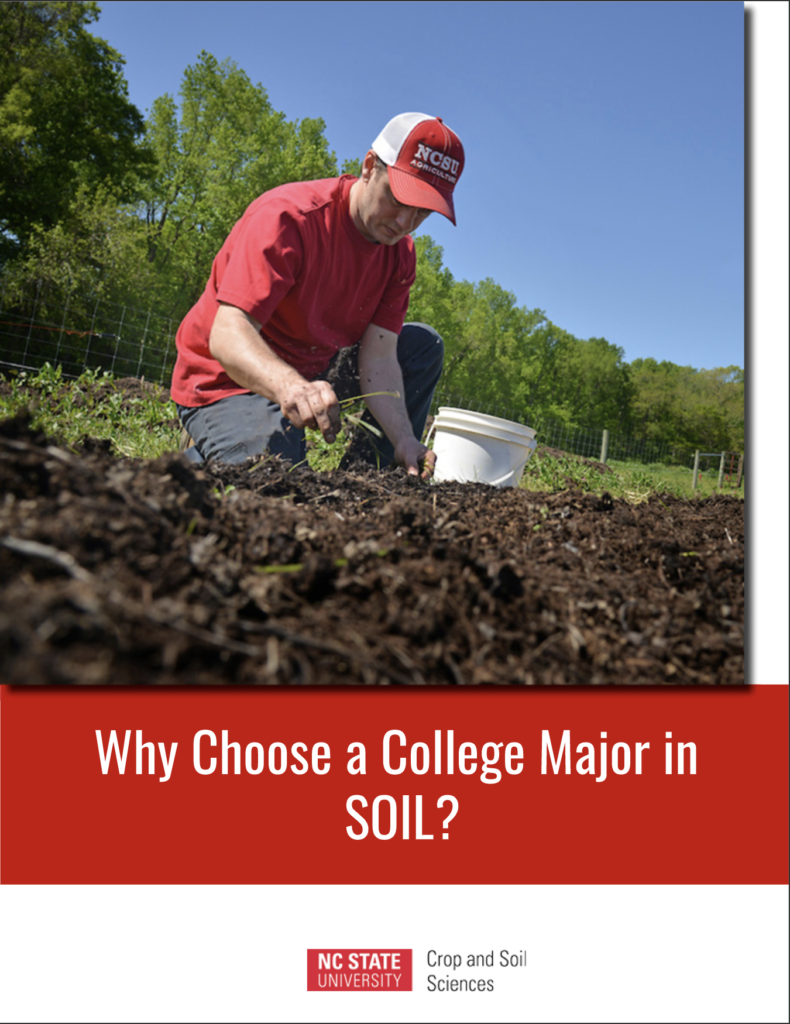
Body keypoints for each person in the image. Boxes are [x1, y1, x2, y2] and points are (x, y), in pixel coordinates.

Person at [171, 112, 464, 478]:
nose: (405, 222)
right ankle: (196, 463)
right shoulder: (290, 218)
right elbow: (228, 334)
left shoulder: (399, 255)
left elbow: (379, 358)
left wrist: (404, 437)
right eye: (397, 198)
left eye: (422, 212)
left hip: (312, 371)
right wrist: (291, 387)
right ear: (370, 166)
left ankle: (368, 479)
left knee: (422, 345)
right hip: (227, 379)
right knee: (276, 480)